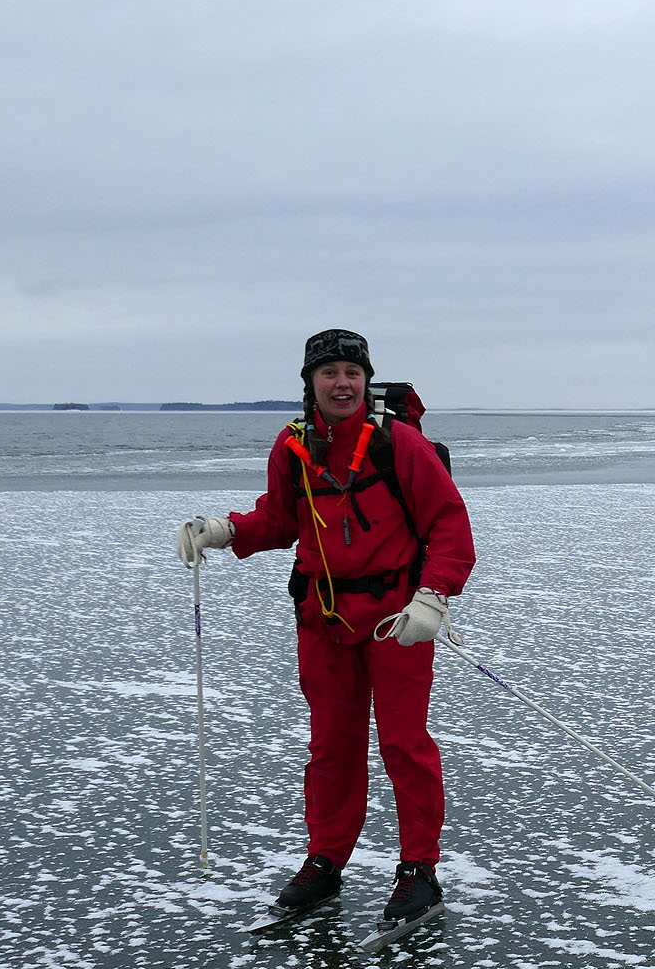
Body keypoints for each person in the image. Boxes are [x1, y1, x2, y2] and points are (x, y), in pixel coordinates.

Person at [174, 329, 476, 925]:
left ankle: (420, 871)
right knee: (331, 749)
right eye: (330, 372)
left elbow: (449, 524)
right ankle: (325, 862)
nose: (342, 383)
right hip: (322, 620)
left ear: (365, 380)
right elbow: (281, 520)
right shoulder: (292, 448)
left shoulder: (400, 445)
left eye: (352, 373)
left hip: (397, 623)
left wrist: (433, 599)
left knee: (403, 746)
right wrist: (226, 530)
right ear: (310, 382)